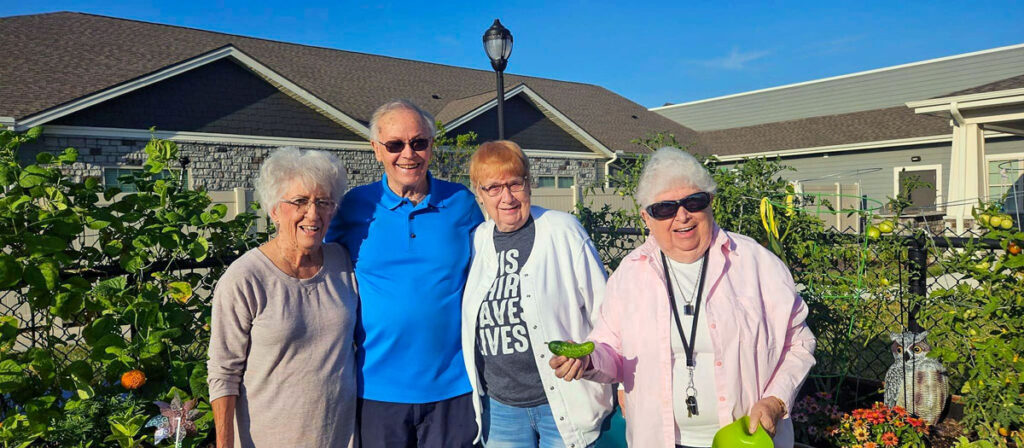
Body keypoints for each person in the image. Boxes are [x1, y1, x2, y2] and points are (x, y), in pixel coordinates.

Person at [550, 147, 816, 448]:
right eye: (664, 208)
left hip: (746, 439)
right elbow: (613, 352)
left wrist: (775, 400)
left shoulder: (756, 263)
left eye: (694, 201)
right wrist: (587, 359)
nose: (682, 216)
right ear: (646, 217)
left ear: (710, 202)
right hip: (659, 439)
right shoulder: (630, 275)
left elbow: (799, 343)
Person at [325, 100, 484, 447]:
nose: (408, 154)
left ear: (431, 145)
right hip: (376, 389)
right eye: (395, 144)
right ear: (376, 150)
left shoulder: (462, 202)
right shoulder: (354, 206)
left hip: (454, 387)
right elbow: (319, 268)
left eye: (419, 142)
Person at [460, 141, 613, 448]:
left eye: (515, 184)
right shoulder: (477, 241)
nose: (507, 197)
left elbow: (607, 314)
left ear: (528, 184)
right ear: (479, 194)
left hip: (564, 403)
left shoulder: (562, 230)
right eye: (493, 188)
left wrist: (591, 355)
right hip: (501, 409)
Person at [207, 147, 356, 448]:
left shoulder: (342, 262)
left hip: (339, 438)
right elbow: (224, 371)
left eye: (323, 202)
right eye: (299, 201)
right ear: (274, 209)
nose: (312, 214)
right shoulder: (246, 278)